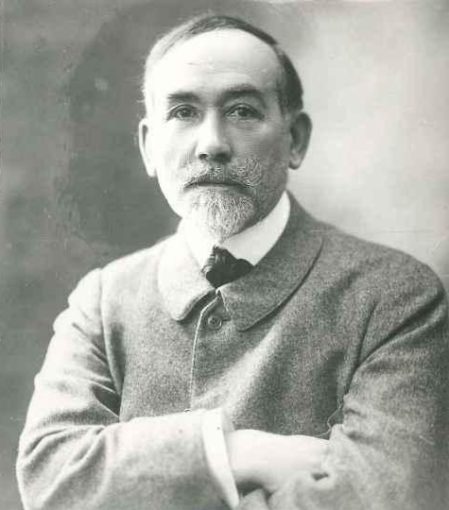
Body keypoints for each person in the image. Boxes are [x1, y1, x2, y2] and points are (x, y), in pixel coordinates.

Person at [17, 14, 448, 510]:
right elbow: (50, 477)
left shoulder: (396, 298)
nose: (212, 144)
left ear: (295, 140)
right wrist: (233, 453)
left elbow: (383, 494)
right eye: (183, 112)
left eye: (242, 111)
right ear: (149, 147)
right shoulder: (103, 300)